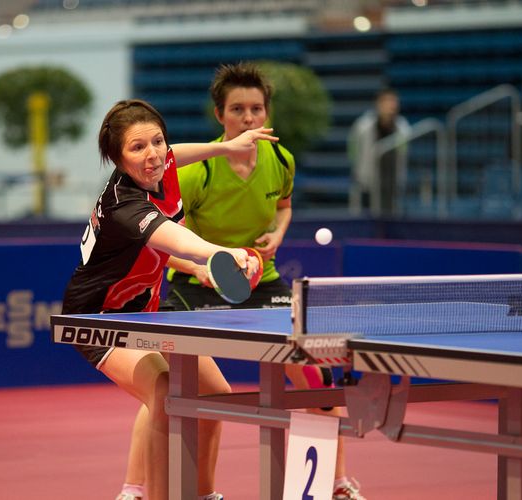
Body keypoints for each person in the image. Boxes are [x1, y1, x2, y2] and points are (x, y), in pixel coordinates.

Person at [119, 63, 364, 500]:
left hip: (261, 282)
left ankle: (335, 482)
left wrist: (279, 232)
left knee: (316, 374)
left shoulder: (281, 161)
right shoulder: (196, 172)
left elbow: (284, 206)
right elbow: (156, 238)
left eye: (256, 109)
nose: (248, 119)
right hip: (193, 283)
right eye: (238, 110)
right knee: (169, 384)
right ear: (220, 115)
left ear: (267, 113)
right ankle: (134, 489)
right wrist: (199, 265)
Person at [60, 98, 272, 500]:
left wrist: (227, 147)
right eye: (137, 148)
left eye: (157, 141)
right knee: (164, 392)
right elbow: (174, 238)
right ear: (118, 159)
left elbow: (178, 156)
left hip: (146, 309)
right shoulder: (125, 205)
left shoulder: (162, 166)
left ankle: (203, 494)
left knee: (215, 395)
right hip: (99, 318)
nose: (154, 154)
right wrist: (216, 254)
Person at [348, 87, 410, 215]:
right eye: (387, 101)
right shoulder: (363, 126)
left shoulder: (403, 128)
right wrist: (359, 171)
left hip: (392, 182)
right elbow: (353, 149)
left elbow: (404, 152)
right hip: (367, 181)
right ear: (379, 104)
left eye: (394, 101)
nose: (392, 105)